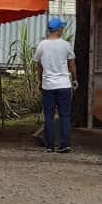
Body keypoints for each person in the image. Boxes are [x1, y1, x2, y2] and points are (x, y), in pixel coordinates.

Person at [34, 17, 78, 153]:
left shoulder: (42, 45)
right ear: (59, 29)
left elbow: (39, 66)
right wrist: (75, 79)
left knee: (49, 115)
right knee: (64, 115)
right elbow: (72, 64)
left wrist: (40, 81)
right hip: (64, 84)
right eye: (62, 28)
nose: (63, 30)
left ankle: (50, 145)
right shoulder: (65, 45)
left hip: (48, 85)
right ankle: (65, 144)